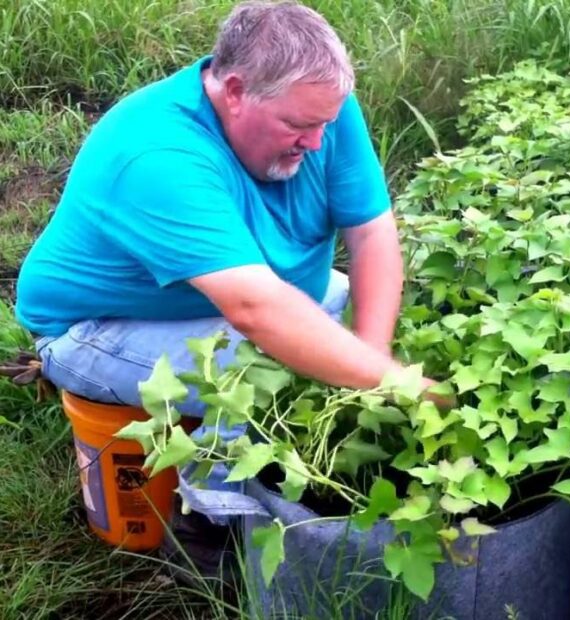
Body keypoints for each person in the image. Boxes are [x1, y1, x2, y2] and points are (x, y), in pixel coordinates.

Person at [14, 0, 437, 583]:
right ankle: (206, 530)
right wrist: (404, 388)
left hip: (254, 296)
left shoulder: (318, 107)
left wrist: (373, 360)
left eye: (325, 124)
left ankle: (299, 463)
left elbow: (371, 235)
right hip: (93, 328)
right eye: (297, 127)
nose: (317, 142)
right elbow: (257, 312)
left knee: (352, 332)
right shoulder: (156, 153)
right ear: (235, 90)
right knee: (259, 362)